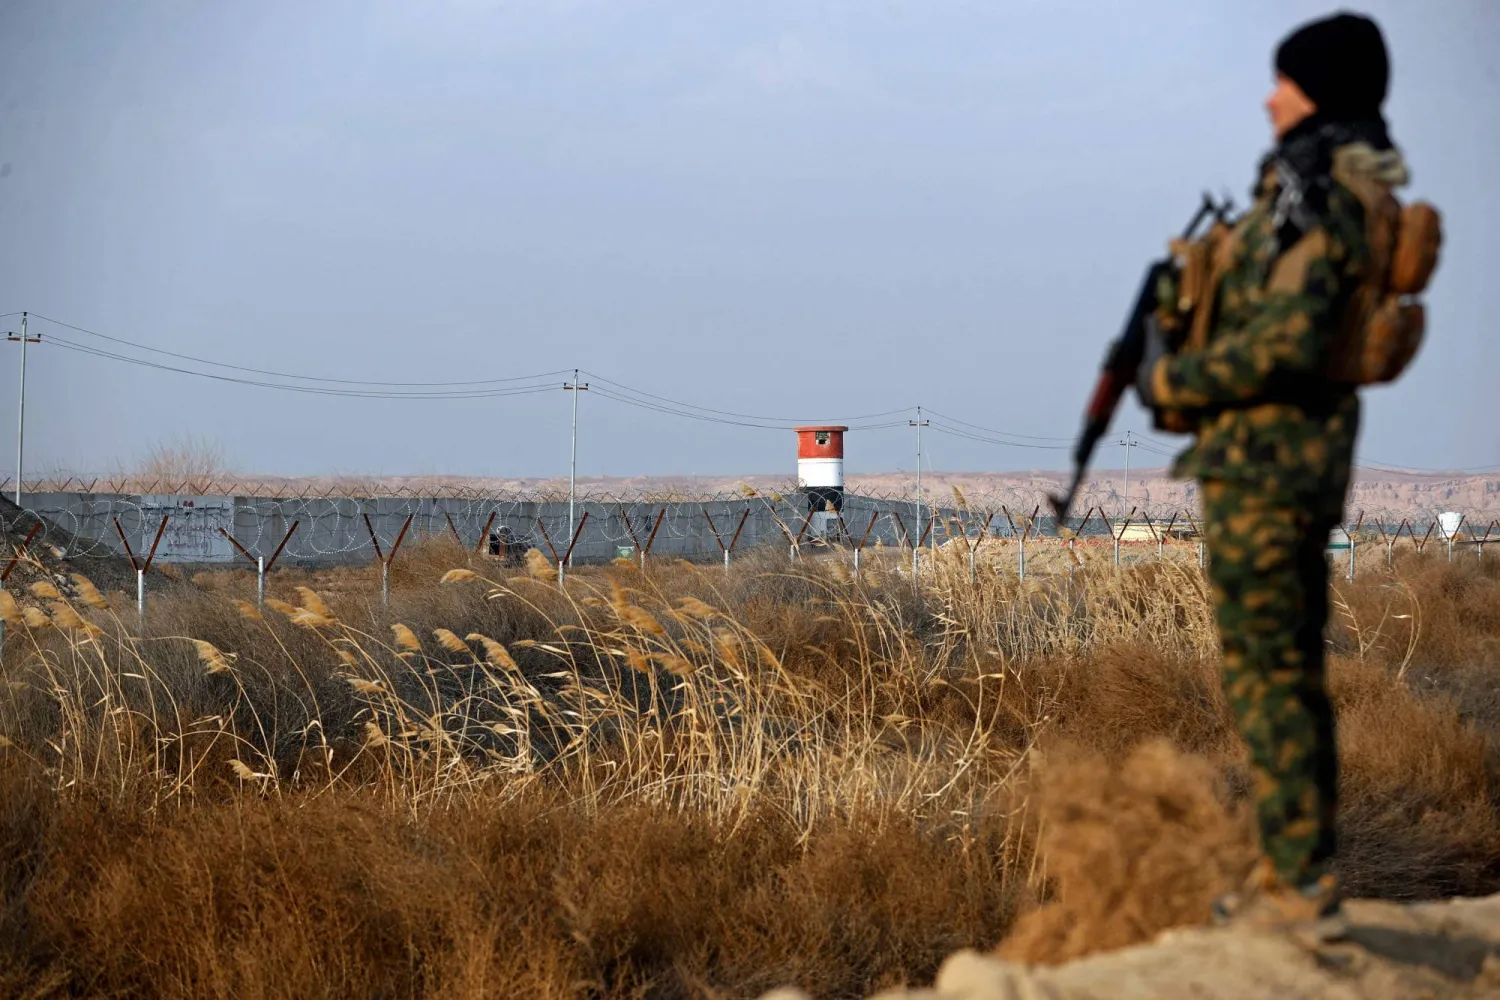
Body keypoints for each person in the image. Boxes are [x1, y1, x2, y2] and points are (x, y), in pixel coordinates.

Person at [1136, 11, 1412, 921]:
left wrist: (1179, 375)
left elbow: (1288, 344)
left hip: (1271, 463)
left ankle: (1296, 882)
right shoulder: (1325, 184)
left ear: (1321, 90)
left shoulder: (1321, 192)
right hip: (1283, 456)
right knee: (1282, 667)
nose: (1269, 97)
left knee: (1268, 670)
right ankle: (1295, 869)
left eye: (1285, 82)